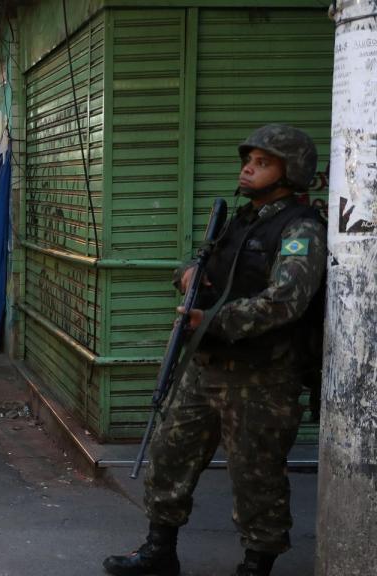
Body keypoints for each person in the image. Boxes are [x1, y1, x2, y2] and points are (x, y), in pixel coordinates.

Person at [102, 125, 326, 576]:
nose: (248, 169)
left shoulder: (301, 229)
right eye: (249, 160)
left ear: (291, 172)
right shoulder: (241, 220)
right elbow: (204, 261)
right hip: (206, 367)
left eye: (263, 163)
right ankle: (159, 551)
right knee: (169, 455)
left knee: (256, 476)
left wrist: (211, 321)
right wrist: (187, 275)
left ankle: (256, 564)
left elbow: (286, 301)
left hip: (261, 376)